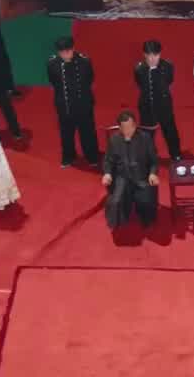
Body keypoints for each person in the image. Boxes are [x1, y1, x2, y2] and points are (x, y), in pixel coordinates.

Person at [101, 110, 159, 234]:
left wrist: (153, 173)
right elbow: (108, 160)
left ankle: (146, 219)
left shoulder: (145, 138)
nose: (129, 130)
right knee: (116, 201)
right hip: (122, 176)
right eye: (125, 128)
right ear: (120, 128)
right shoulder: (114, 140)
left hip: (141, 176)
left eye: (131, 126)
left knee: (146, 201)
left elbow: (154, 160)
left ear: (135, 125)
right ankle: (119, 221)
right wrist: (107, 173)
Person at [48, 36, 98, 167]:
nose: (65, 55)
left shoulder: (84, 61)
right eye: (62, 52)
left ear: (73, 49)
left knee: (87, 132)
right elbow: (54, 82)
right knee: (66, 133)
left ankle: (92, 156)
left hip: (83, 103)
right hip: (64, 104)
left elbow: (89, 79)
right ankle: (68, 156)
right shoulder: (52, 63)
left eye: (68, 51)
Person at [135, 40, 181, 160]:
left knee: (170, 131)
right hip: (146, 105)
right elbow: (140, 84)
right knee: (147, 134)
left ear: (160, 54)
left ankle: (175, 154)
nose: (152, 59)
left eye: (155, 55)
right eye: (149, 55)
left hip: (164, 104)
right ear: (144, 54)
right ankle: (150, 156)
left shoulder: (168, 66)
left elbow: (169, 81)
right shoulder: (139, 68)